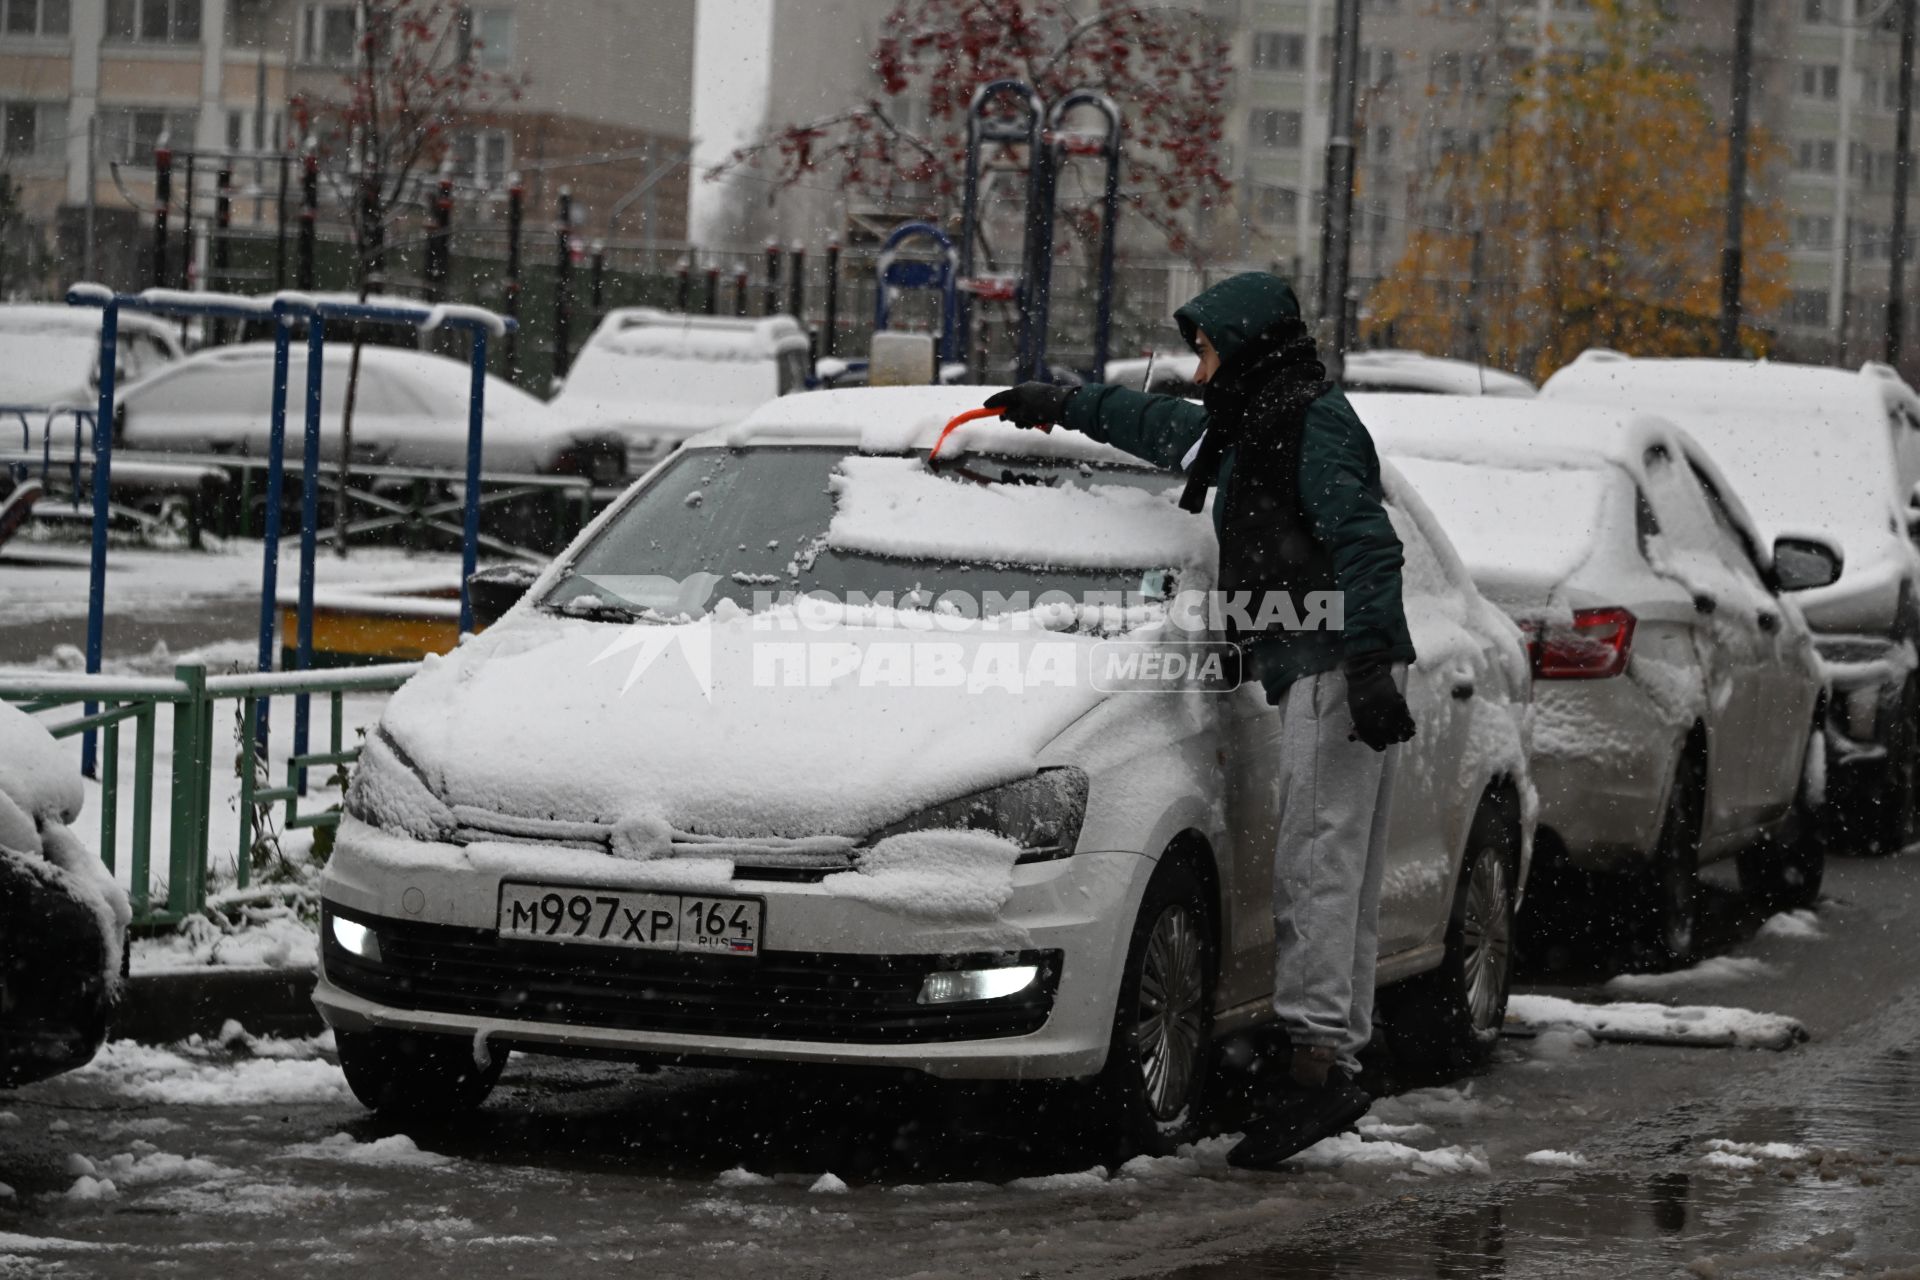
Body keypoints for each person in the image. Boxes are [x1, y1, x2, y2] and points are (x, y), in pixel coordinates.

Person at [983, 272, 1417, 1169]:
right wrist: (1063, 404)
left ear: (1249, 347)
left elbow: (1368, 543)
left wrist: (1371, 663)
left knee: (1319, 867)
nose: (1198, 366)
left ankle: (1316, 1071)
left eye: (1208, 349)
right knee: (1332, 865)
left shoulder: (1313, 424)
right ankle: (1331, 1055)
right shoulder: (1257, 419)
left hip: (1338, 664)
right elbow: (1163, 428)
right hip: (1317, 661)